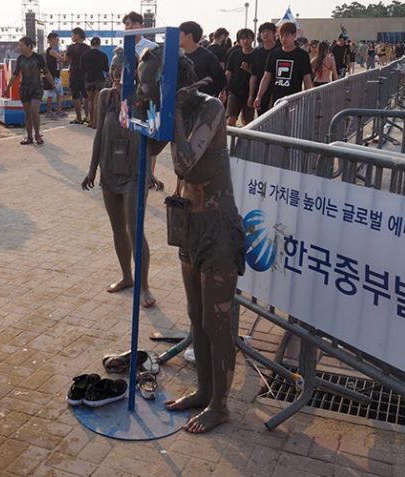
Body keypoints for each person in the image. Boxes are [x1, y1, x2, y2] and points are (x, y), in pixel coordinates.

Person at [146, 51, 245, 434]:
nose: (145, 88)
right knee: (195, 316)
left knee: (217, 322)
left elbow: (184, 163)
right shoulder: (173, 107)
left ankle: (220, 405)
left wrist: (171, 111)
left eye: (149, 82)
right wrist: (143, 109)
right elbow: (152, 148)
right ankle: (204, 391)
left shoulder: (210, 108)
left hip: (218, 228)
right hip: (190, 225)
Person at [81, 62, 161, 308]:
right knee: (118, 229)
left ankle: (144, 286)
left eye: (123, 74)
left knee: (135, 230)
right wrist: (92, 169)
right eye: (114, 73)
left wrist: (149, 172)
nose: (117, 78)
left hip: (133, 172)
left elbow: (153, 135)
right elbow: (99, 135)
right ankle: (127, 276)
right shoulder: (107, 96)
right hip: (109, 170)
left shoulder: (143, 99)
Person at [5, 36, 55, 145]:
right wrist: (8, 87)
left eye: (21, 45)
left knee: (34, 110)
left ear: (28, 46)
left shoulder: (38, 58)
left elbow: (46, 72)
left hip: (36, 88)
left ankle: (37, 134)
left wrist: (53, 85)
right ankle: (29, 137)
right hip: (24, 89)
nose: (20, 48)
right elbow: (15, 74)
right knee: (27, 113)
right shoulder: (20, 59)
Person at [254, 22, 313, 109]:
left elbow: (307, 79)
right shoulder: (274, 54)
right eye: (281, 36)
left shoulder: (302, 55)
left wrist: (309, 97)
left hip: (294, 99)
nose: (283, 39)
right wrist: (259, 96)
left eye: (286, 36)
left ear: (294, 35)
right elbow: (266, 77)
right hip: (276, 100)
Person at [179, 22, 226, 98]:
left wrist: (207, 96)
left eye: (179, 33)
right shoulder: (176, 56)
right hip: (178, 103)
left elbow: (221, 79)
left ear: (189, 36)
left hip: (199, 104)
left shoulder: (207, 56)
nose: (175, 36)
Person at [225, 28, 256, 126]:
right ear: (238, 41)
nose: (245, 41)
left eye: (248, 38)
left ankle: (243, 141)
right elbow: (228, 72)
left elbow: (258, 74)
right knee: (230, 120)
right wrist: (222, 90)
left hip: (250, 92)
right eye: (242, 39)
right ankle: (232, 141)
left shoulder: (257, 54)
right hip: (234, 92)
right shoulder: (235, 54)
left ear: (252, 39)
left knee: (248, 122)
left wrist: (248, 69)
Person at [248, 22, 279, 117]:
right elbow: (254, 76)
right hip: (261, 92)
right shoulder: (257, 53)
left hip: (276, 90)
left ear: (274, 33)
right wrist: (251, 95)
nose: (265, 34)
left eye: (268, 31)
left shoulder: (280, 51)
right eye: (263, 32)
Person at [80, 36, 109, 129]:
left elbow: (82, 68)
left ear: (91, 44)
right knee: (97, 102)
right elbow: (106, 69)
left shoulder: (84, 55)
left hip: (88, 79)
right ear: (99, 44)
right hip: (99, 79)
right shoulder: (103, 55)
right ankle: (96, 123)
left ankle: (90, 120)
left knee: (90, 101)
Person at [64, 27, 90, 125]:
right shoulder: (87, 48)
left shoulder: (71, 47)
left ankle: (79, 118)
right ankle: (88, 117)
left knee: (75, 96)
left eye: (72, 35)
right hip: (85, 74)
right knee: (86, 96)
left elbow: (65, 59)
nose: (72, 37)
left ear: (77, 35)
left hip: (74, 74)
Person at [43, 32, 66, 119]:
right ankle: (49, 112)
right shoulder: (51, 51)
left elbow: (60, 61)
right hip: (52, 76)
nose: (58, 41)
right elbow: (61, 58)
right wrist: (66, 55)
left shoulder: (55, 50)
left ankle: (59, 111)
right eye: (56, 39)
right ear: (51, 39)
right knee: (51, 94)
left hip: (57, 75)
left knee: (60, 93)